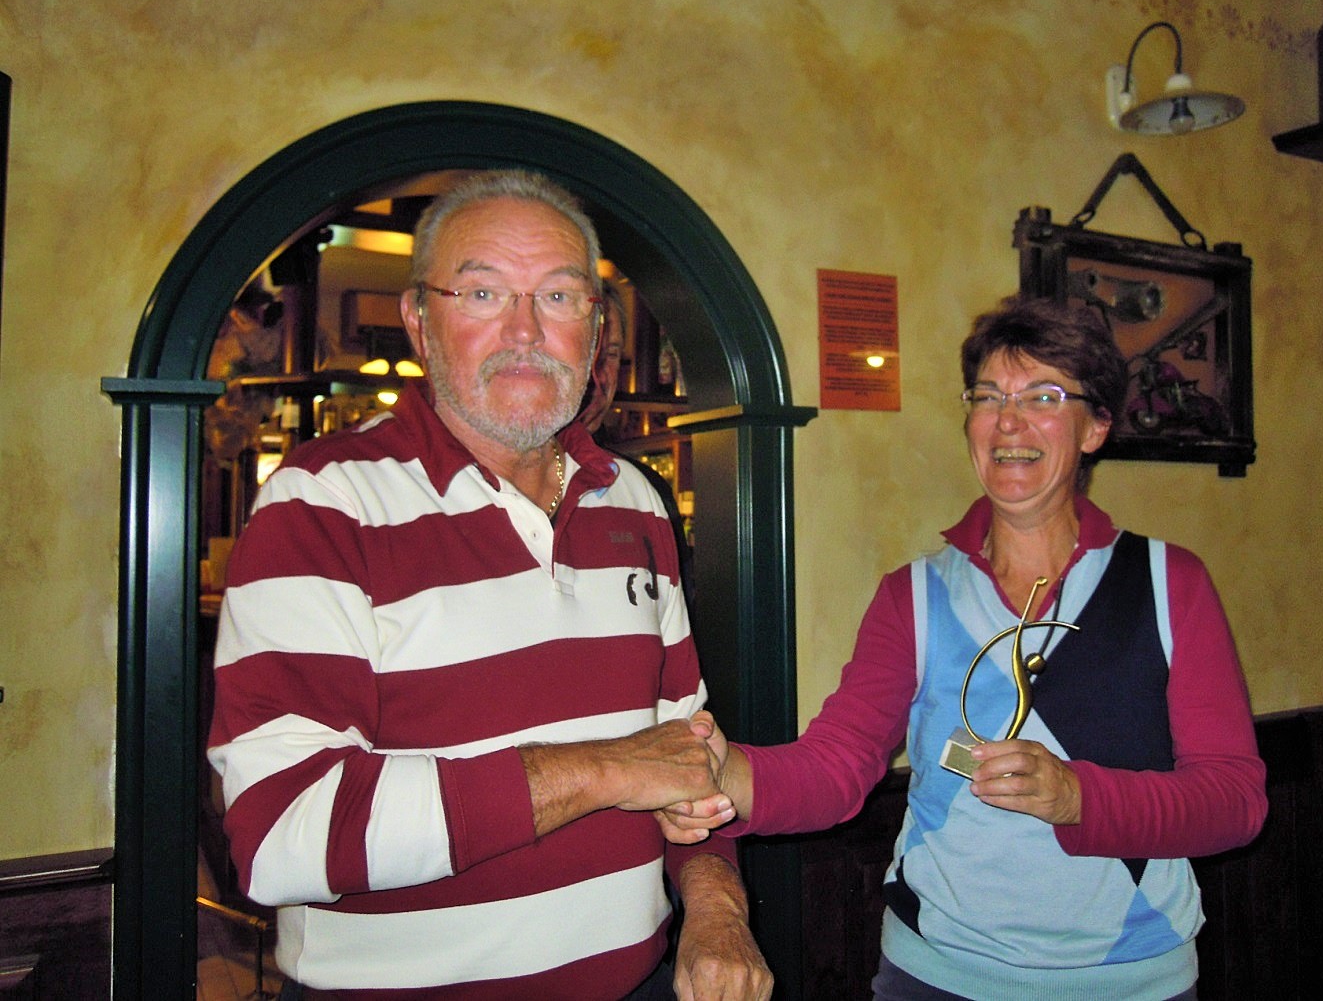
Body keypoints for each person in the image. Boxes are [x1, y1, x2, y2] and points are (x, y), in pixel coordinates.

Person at [208, 169, 771, 1000]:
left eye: (559, 297)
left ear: (595, 329)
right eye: (482, 292)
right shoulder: (322, 502)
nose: (525, 331)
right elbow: (280, 831)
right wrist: (603, 771)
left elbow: (687, 758)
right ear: (418, 319)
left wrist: (717, 908)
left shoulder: (635, 500)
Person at [666, 295, 1267, 999]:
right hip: (938, 973)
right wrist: (729, 775)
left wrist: (1078, 797)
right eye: (988, 396)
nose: (1008, 420)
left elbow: (1234, 801)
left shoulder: (1168, 582)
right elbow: (837, 765)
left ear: (1097, 426)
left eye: (1043, 396)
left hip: (1135, 977)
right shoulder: (914, 595)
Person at [576, 281, 695, 609]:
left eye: (611, 354)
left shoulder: (645, 491)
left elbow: (678, 615)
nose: (599, 374)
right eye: (587, 350)